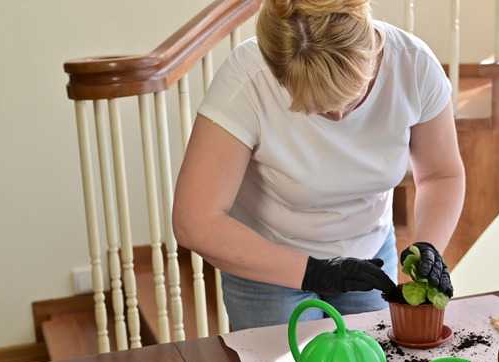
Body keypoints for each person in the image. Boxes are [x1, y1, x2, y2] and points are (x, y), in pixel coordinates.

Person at [172, 0, 465, 330]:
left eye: (350, 97)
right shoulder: (247, 80)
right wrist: (314, 272)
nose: (339, 116)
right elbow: (195, 221)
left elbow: (442, 175)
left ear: (370, 56)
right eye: (320, 107)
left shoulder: (414, 66)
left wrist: (427, 245)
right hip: (268, 268)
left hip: (368, 256)